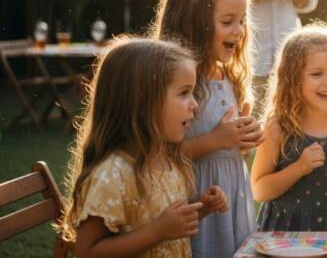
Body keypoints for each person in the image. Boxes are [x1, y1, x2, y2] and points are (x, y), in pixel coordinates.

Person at [59, 38, 229, 258]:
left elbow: (157, 220)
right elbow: (86, 251)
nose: (195, 104)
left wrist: (200, 207)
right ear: (142, 102)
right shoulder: (112, 176)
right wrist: (158, 231)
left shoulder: (166, 159)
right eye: (184, 93)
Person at [151, 0, 261, 257]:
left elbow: (233, 149)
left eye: (242, 20)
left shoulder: (230, 77)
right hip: (196, 200)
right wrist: (216, 140)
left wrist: (243, 140)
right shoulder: (174, 85)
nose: (239, 30)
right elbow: (156, 155)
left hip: (233, 196)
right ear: (193, 24)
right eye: (227, 21)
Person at [251, 23, 327, 231]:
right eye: (317, 74)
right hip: (284, 234)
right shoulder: (278, 128)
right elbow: (259, 190)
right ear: (292, 78)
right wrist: (299, 168)